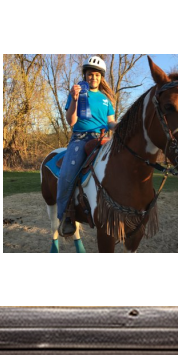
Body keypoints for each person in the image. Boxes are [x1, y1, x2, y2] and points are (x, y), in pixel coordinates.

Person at [57, 56, 117, 237]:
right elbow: (71, 121)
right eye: (90, 74)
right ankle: (65, 215)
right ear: (85, 75)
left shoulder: (106, 99)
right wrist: (74, 100)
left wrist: (120, 126)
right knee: (67, 175)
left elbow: (111, 123)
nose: (94, 78)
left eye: (97, 75)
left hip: (103, 139)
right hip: (81, 139)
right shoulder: (76, 92)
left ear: (101, 77)